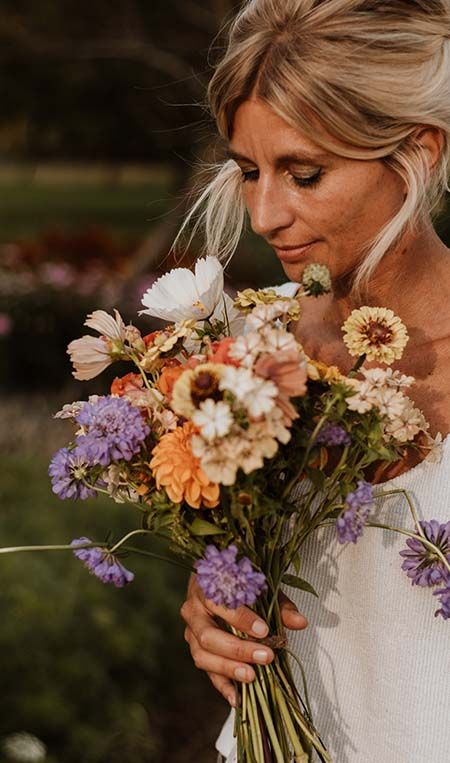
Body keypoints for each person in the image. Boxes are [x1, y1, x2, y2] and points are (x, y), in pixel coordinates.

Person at [179, 1, 450, 760]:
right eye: (247, 171)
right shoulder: (240, 354)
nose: (264, 214)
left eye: (304, 173)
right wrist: (214, 601)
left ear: (420, 152)